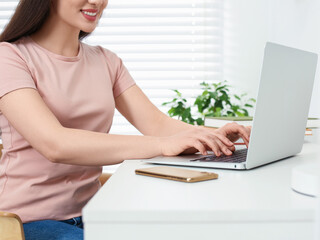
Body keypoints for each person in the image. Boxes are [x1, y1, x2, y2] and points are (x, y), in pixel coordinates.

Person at [0, 0, 251, 239]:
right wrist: (163, 145)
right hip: (24, 222)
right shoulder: (9, 57)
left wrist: (213, 136)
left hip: (94, 212)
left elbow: (158, 125)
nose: (97, 2)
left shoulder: (106, 61)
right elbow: (55, 144)